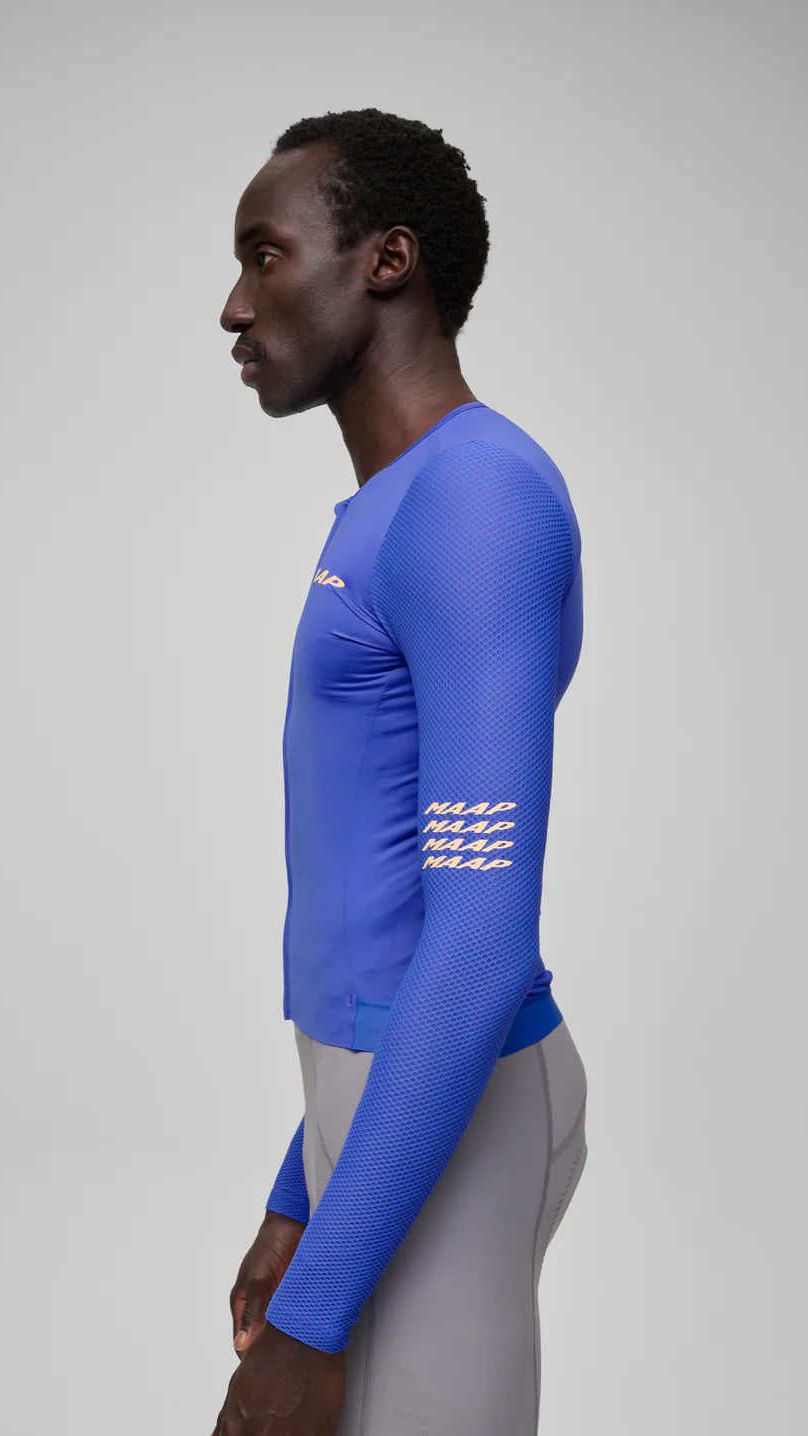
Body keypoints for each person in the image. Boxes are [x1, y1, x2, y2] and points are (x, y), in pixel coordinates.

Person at [212, 107, 589, 1436]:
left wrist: (312, 1321)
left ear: (387, 261)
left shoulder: (476, 502)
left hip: (460, 1106)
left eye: (265, 255)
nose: (233, 305)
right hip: (382, 1099)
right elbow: (384, 919)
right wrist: (300, 1193)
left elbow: (477, 941)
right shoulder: (401, 504)